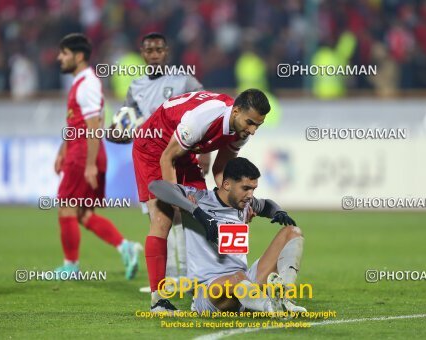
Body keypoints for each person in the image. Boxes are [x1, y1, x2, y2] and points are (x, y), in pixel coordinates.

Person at [132, 89, 270, 311]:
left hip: (184, 151)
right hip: (155, 147)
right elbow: (167, 157)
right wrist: (176, 200)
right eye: (250, 123)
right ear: (235, 112)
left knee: (206, 213)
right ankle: (158, 299)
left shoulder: (240, 130)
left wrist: (235, 202)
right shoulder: (201, 120)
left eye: (258, 125)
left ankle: (210, 285)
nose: (252, 131)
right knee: (163, 219)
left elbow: (221, 172)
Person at [108, 32, 207, 288]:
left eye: (159, 50)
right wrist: (116, 130)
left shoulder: (184, 80)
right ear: (142, 53)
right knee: (158, 215)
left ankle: (188, 275)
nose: (154, 55)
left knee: (182, 213)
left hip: (178, 154)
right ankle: (170, 278)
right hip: (149, 157)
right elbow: (126, 117)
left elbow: (205, 111)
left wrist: (205, 152)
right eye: (149, 50)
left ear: (166, 52)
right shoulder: (136, 86)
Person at [149, 157, 306, 313]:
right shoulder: (199, 199)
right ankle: (270, 306)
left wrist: (278, 211)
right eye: (245, 188)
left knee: (292, 232)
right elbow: (156, 186)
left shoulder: (246, 204)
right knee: (237, 278)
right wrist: (195, 211)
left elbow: (267, 204)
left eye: (253, 189)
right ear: (227, 184)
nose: (250, 194)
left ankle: (284, 298)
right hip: (210, 292)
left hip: (246, 282)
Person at [54, 33, 141, 279]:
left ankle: (71, 266)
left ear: (78, 56)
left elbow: (93, 127)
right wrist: (62, 150)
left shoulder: (88, 84)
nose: (59, 58)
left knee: (66, 209)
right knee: (84, 214)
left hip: (83, 156)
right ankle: (126, 247)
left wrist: (89, 164)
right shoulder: (82, 82)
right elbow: (76, 123)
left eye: (65, 53)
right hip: (79, 153)